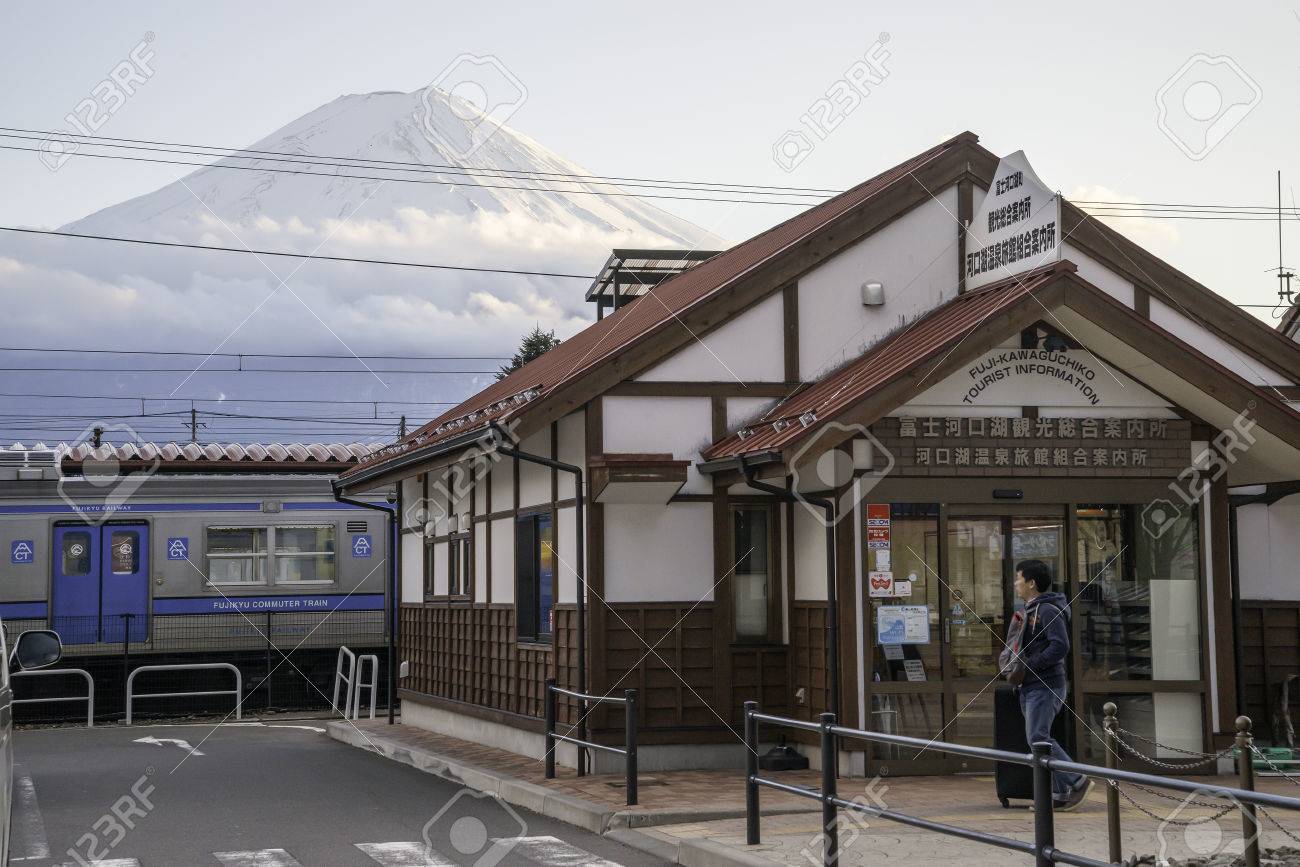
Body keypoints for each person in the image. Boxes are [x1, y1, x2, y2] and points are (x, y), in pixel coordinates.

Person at [1012, 559, 1093, 811]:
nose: (1015, 583)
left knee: (1038, 738)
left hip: (1045, 684)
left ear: (1031, 583)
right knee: (1040, 739)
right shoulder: (1030, 609)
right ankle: (1059, 793)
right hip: (1030, 684)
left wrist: (1030, 665)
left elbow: (1060, 645)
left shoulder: (1047, 610)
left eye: (1018, 578)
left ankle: (1077, 780)